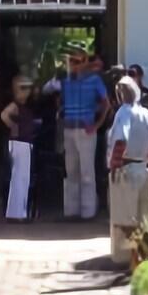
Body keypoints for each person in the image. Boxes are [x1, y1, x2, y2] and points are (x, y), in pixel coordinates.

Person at [106, 76, 148, 271]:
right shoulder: (145, 113)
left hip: (125, 170)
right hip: (142, 168)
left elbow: (120, 139)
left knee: (127, 220)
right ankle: (144, 259)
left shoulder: (124, 113)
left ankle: (136, 261)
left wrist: (115, 164)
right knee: (142, 218)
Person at [59, 48, 110, 219]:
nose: (72, 65)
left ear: (84, 62)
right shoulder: (65, 81)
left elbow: (106, 104)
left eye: (76, 61)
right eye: (71, 61)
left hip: (86, 130)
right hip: (69, 129)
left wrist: (97, 124)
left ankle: (87, 212)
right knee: (71, 171)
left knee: (87, 172)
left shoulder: (94, 80)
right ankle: (71, 211)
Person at [0, 77, 39, 222]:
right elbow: (3, 115)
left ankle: (19, 212)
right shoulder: (15, 105)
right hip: (19, 143)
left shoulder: (26, 107)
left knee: (23, 178)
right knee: (18, 178)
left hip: (25, 143)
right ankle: (15, 214)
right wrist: (12, 126)